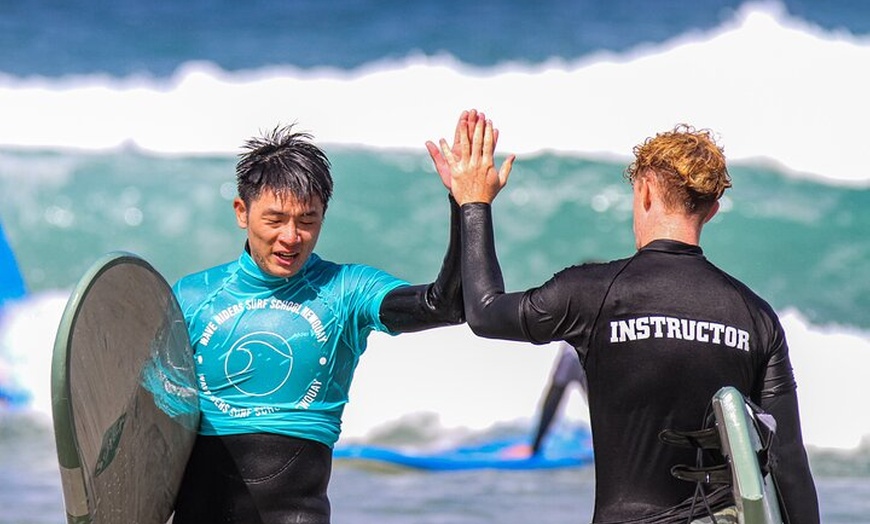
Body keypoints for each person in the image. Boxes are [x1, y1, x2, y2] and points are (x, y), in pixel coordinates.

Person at [427, 112, 819, 523]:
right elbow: (788, 460)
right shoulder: (755, 316)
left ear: (646, 190)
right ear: (712, 210)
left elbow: (485, 313)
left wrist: (473, 202)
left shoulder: (592, 293)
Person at [171, 124, 465, 524]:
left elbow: (444, 306)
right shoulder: (190, 296)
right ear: (242, 212)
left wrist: (467, 206)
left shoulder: (347, 291)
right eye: (275, 219)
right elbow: (145, 412)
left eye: (307, 219)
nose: (291, 236)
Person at [530, 342, 587, 456]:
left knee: (554, 396)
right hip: (576, 351)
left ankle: (535, 446)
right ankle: (535, 447)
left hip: (581, 352)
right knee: (554, 396)